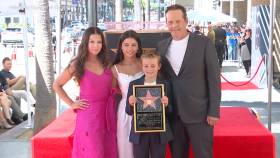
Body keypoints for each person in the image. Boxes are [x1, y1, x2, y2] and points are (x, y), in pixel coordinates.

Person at [156, 4, 221, 158]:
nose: (174, 25)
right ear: (166, 23)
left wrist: (214, 111)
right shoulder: (161, 46)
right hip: (172, 114)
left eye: (178, 21)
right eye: (170, 22)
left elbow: (213, 79)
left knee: (203, 155)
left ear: (186, 21)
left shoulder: (203, 43)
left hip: (200, 113)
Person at [53, 27, 117, 158]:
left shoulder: (106, 62)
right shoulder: (77, 64)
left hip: (107, 114)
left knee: (107, 150)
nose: (95, 46)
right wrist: (72, 103)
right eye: (92, 42)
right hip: (88, 115)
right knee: (92, 152)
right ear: (85, 43)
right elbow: (57, 85)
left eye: (99, 42)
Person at [126, 50, 173, 158]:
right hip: (140, 131)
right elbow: (128, 111)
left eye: (153, 66)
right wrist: (131, 103)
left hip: (159, 131)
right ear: (142, 66)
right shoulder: (134, 85)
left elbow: (171, 110)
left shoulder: (166, 84)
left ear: (159, 66)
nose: (149, 69)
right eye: (146, 66)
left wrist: (166, 105)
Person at [111, 30, 144, 158]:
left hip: (146, 107)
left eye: (133, 45)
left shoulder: (145, 63)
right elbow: (112, 90)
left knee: (144, 144)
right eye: (126, 45)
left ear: (138, 46)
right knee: (125, 145)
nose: (130, 48)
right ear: (121, 46)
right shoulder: (115, 69)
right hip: (125, 110)